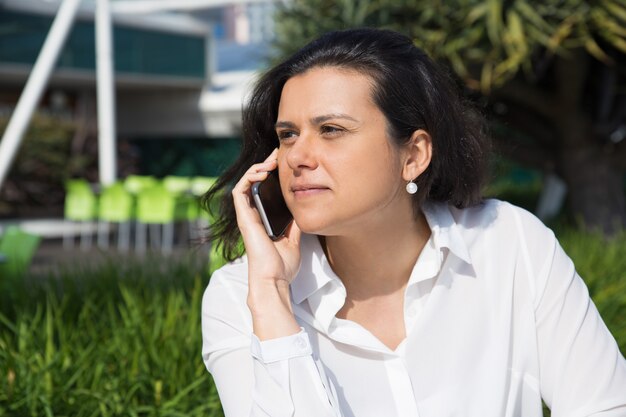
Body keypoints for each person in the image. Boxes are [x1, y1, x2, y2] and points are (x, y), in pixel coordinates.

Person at [201, 28, 626, 417]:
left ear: (414, 155)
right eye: (288, 134)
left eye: (330, 129)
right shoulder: (242, 297)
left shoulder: (510, 243)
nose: (296, 156)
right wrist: (274, 299)